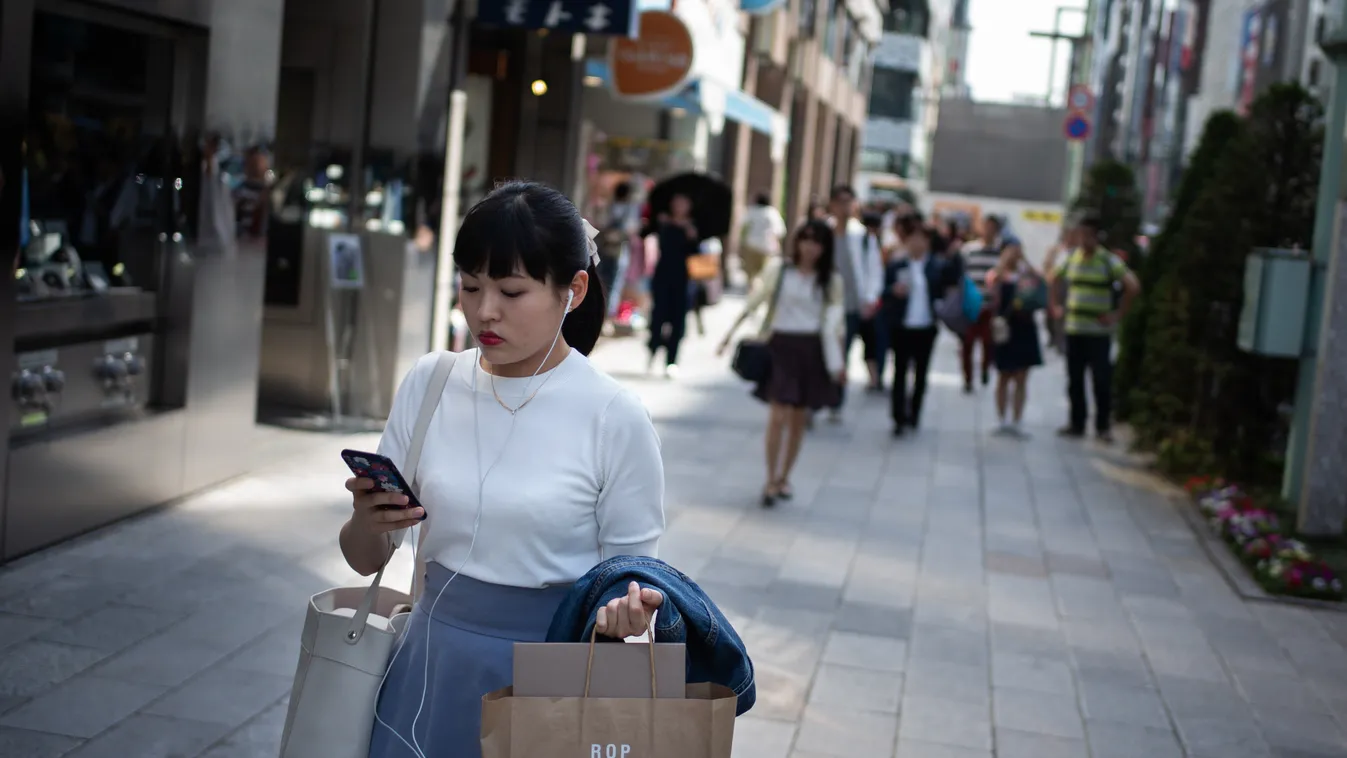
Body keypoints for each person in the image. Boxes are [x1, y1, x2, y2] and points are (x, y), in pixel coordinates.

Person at [346, 182, 666, 758]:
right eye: (471, 286)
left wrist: (626, 611)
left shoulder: (614, 415)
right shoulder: (431, 382)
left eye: (512, 291)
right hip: (428, 666)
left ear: (574, 290)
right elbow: (365, 556)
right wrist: (369, 519)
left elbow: (635, 581)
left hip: (553, 682)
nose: (483, 311)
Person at [716, 219, 844, 507]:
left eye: (817, 241)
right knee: (777, 415)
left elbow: (836, 324)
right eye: (806, 239)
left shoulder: (830, 280)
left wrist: (839, 362)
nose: (810, 246)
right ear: (797, 241)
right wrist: (730, 334)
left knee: (798, 419)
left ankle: (784, 476)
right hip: (780, 347)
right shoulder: (781, 271)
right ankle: (771, 478)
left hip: (811, 350)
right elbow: (756, 300)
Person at [1048, 213, 1141, 443]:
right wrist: (1055, 306)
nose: (1083, 239)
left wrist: (1117, 314)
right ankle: (1076, 423)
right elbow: (1052, 278)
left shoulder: (1108, 261)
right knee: (1075, 378)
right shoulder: (1071, 258)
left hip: (1098, 332)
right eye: (1081, 234)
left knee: (1101, 380)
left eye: (1088, 235)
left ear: (1096, 237)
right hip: (1074, 329)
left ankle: (1102, 426)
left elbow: (1133, 286)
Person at [826, 184, 884, 422]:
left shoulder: (861, 236)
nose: (845, 206)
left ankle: (836, 402)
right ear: (832, 204)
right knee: (821, 352)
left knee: (842, 354)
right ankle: (815, 397)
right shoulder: (823, 232)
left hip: (850, 306)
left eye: (850, 201)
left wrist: (870, 299)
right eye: (841, 201)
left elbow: (874, 270)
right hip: (824, 304)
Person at [883, 216, 945, 437]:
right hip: (902, 326)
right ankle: (898, 416)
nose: (917, 244)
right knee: (899, 372)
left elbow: (945, 291)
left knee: (920, 374)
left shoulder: (937, 266)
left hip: (926, 327)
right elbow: (884, 292)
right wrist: (893, 291)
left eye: (922, 239)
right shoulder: (897, 264)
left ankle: (914, 413)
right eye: (913, 239)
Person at [987, 241, 1045, 436]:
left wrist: (1025, 264)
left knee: (1022, 376)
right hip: (1005, 329)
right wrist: (1003, 264)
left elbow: (1042, 284)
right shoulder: (998, 275)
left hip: (1025, 327)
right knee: (1003, 375)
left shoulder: (1026, 275)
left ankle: (1017, 420)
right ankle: (1001, 418)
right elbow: (991, 290)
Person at [960, 215, 1019, 393]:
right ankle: (968, 378)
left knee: (988, 342)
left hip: (990, 305)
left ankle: (985, 369)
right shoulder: (969, 249)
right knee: (967, 343)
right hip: (971, 305)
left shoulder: (1000, 253)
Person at [647, 193, 699, 377]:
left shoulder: (693, 227)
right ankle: (653, 349)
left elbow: (696, 253)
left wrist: (692, 235)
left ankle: (672, 360)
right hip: (662, 275)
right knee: (657, 316)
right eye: (676, 202)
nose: (679, 206)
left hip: (683, 279)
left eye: (683, 202)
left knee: (678, 320)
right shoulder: (663, 222)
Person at [738, 192, 787, 283]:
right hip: (766, 247)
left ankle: (751, 290)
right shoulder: (772, 213)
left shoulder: (752, 211)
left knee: (750, 272)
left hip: (751, 245)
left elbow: (742, 225)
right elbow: (780, 231)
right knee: (763, 273)